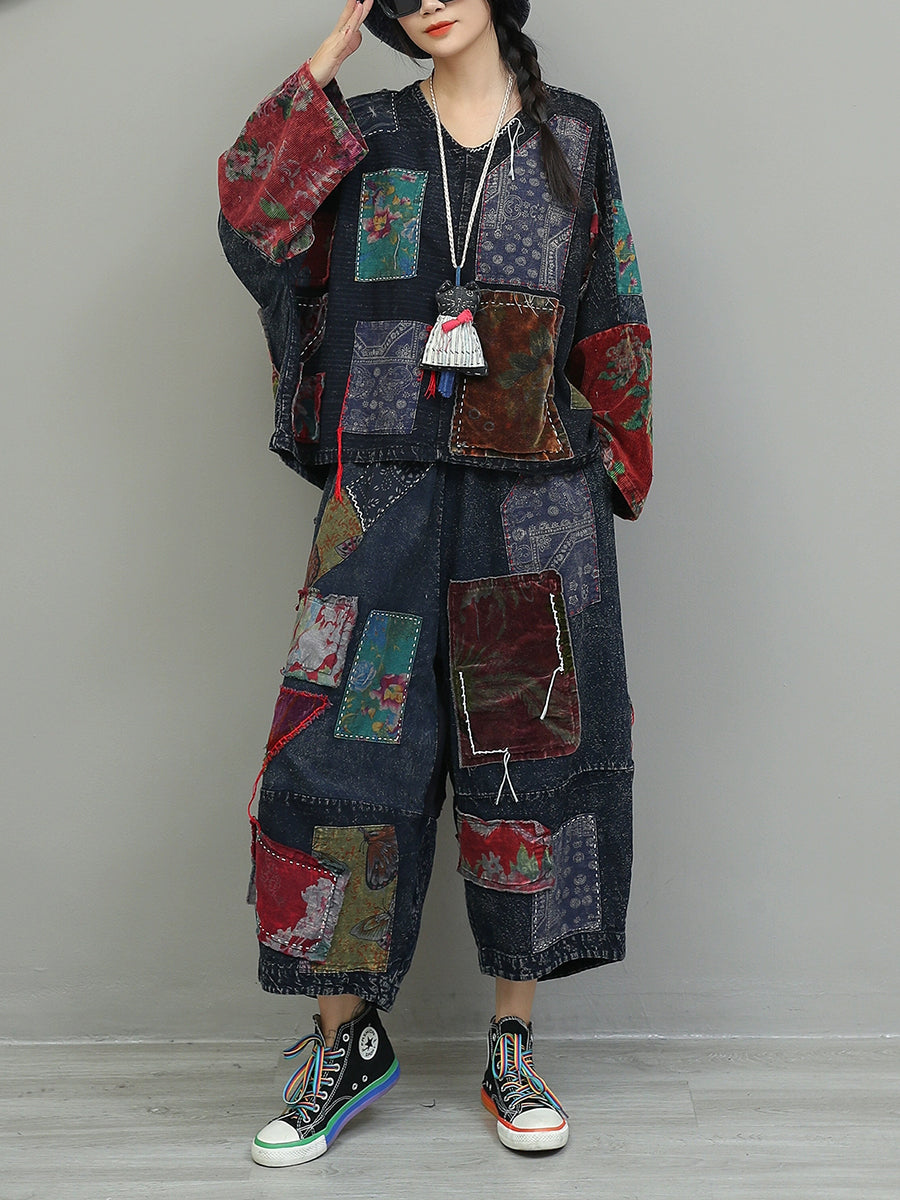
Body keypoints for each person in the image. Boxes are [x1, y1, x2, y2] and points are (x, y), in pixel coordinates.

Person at [217, 0, 652, 1166]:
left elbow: (611, 303)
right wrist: (319, 71)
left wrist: (608, 462)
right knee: (338, 768)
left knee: (527, 770)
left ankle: (513, 1043)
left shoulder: (572, 134)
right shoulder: (362, 132)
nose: (428, 2)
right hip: (387, 498)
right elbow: (256, 222)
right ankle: (344, 1043)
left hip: (530, 507)